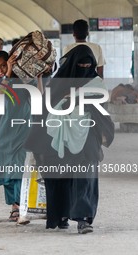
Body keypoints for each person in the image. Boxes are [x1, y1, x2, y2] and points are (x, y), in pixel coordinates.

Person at [24, 45, 114, 234]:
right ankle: (61, 215)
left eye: (88, 65)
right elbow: (44, 107)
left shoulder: (96, 83)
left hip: (88, 134)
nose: (83, 68)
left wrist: (75, 98)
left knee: (85, 176)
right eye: (80, 64)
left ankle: (84, 219)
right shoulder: (59, 83)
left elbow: (101, 104)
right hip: (59, 137)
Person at [0, 51, 41, 222]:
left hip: (23, 130)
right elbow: (0, 94)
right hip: (5, 132)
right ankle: (14, 205)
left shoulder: (24, 81)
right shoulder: (0, 82)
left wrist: (38, 77)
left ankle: (21, 207)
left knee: (19, 168)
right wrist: (8, 72)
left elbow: (38, 97)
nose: (0, 70)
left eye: (4, 65)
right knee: (7, 170)